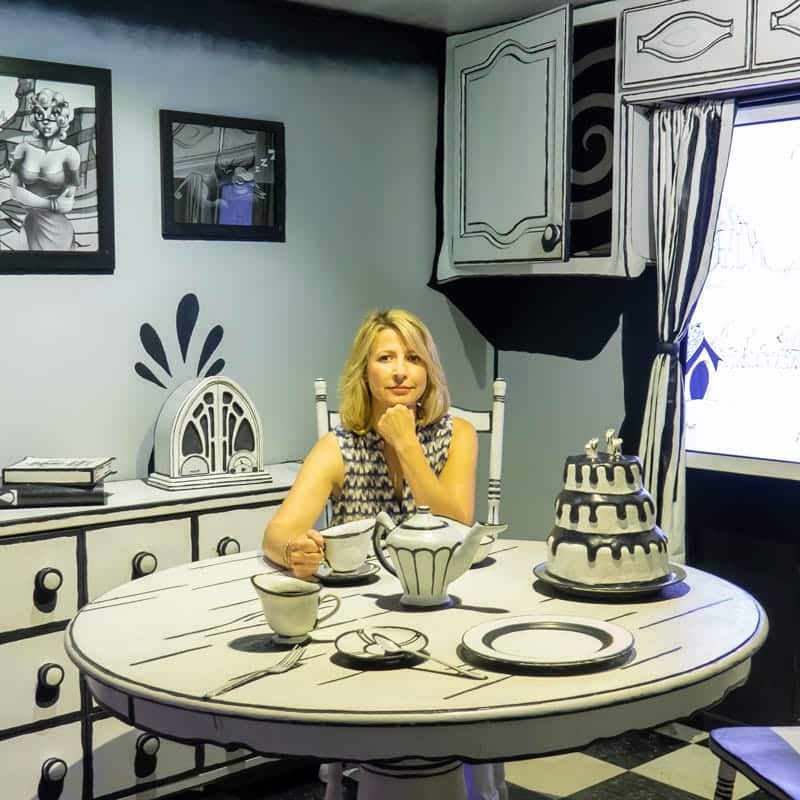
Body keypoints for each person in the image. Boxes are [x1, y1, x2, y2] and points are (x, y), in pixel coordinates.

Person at [262, 308, 506, 800]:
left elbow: (458, 525)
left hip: (444, 609)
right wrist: (296, 550)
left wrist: (407, 445)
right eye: (386, 358)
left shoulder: (456, 434)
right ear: (364, 372)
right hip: (366, 621)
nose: (400, 371)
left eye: (413, 359)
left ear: (429, 371)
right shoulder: (339, 446)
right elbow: (276, 532)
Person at [8, 88, 81, 251]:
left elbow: (67, 204)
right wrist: (52, 204)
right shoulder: (23, 149)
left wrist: (47, 204)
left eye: (53, 115)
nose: (46, 122)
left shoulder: (70, 154)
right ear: (35, 118)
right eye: (41, 115)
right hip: (32, 227)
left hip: (59, 231)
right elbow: (15, 191)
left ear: (61, 119)